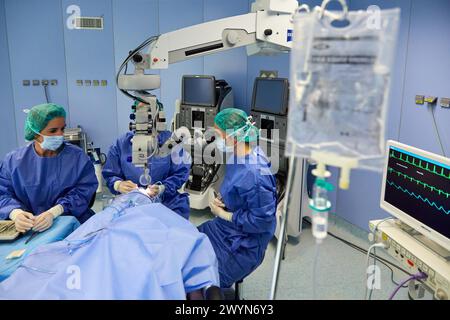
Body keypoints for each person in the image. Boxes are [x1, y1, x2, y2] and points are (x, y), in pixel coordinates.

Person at [198, 108, 277, 288]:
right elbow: (238, 191)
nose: (214, 137)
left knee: (204, 280)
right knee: (189, 245)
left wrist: (225, 215)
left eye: (218, 133)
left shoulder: (254, 174)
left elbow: (262, 222)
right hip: (224, 228)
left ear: (232, 137)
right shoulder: (238, 156)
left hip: (244, 244)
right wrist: (222, 201)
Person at [0, 103, 98, 233]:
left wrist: (56, 211)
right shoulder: (14, 161)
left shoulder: (77, 157)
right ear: (35, 133)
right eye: (53, 131)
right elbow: (3, 193)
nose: (60, 135)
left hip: (73, 224)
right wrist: (15, 213)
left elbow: (84, 191)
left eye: (62, 129)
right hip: (30, 228)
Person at [102, 103, 192, 219]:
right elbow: (110, 173)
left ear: (158, 118)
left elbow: (180, 172)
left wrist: (162, 188)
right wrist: (118, 184)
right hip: (130, 201)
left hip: (166, 202)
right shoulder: (121, 143)